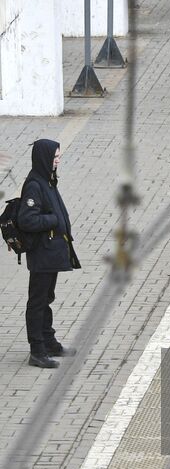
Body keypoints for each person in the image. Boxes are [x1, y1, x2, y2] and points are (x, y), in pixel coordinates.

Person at [17, 140, 81, 368]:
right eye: (55, 157)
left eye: (59, 156)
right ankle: (37, 350)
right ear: (44, 158)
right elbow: (27, 219)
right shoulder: (34, 185)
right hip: (42, 254)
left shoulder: (47, 179)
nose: (58, 160)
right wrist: (54, 220)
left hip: (50, 253)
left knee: (46, 298)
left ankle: (49, 341)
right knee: (37, 301)